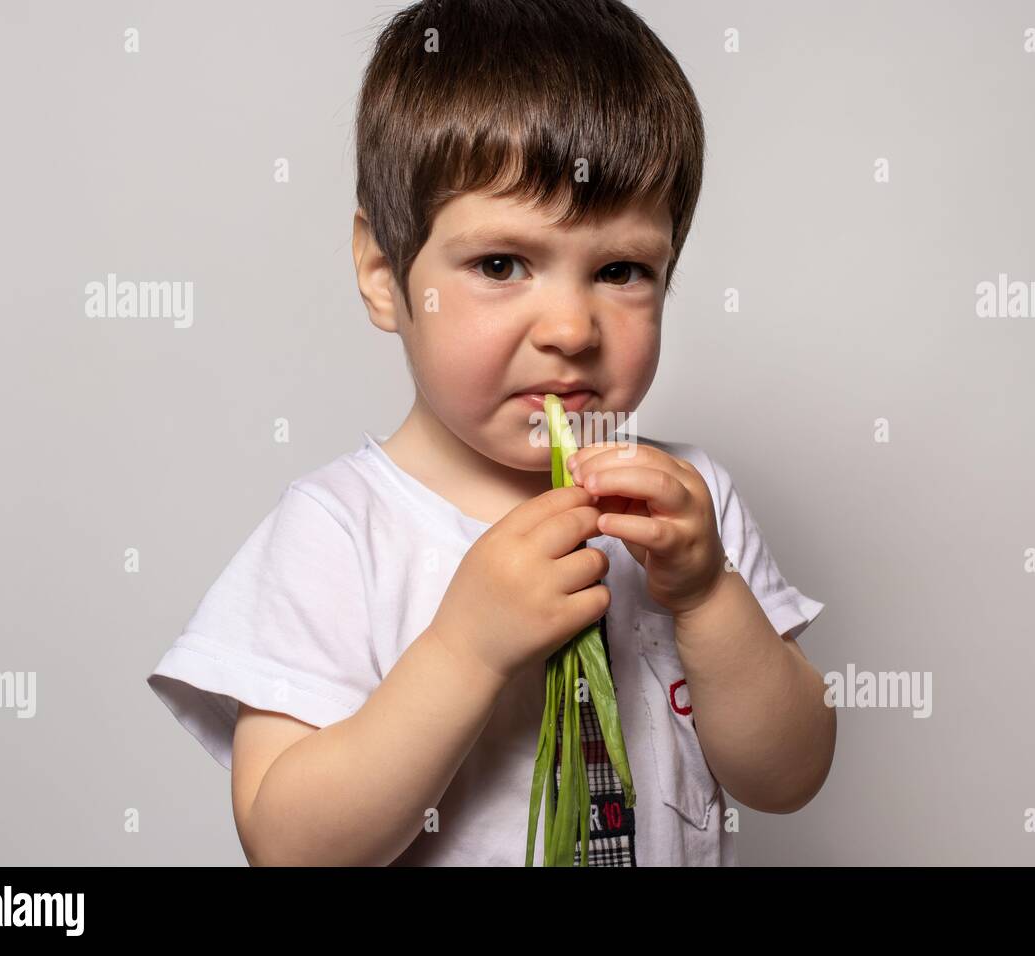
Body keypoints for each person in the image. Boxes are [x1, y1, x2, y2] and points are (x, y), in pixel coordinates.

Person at [146, 0, 833, 866]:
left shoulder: (693, 504)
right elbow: (291, 846)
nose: (573, 329)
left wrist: (705, 595)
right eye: (501, 265)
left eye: (621, 270)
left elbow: (789, 774)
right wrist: (464, 650)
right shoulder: (337, 532)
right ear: (384, 274)